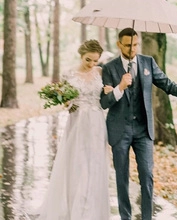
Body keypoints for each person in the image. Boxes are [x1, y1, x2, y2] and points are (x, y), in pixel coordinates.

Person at [100, 28, 177, 220]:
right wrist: (120, 87)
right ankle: (125, 217)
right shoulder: (109, 68)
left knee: (147, 175)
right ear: (119, 44)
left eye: (135, 44)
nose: (132, 49)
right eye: (128, 45)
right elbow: (104, 102)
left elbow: (168, 85)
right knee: (122, 178)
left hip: (144, 130)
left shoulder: (148, 63)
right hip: (120, 130)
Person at [37, 39, 113, 220]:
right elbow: (65, 101)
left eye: (95, 60)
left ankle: (92, 210)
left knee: (95, 163)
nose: (92, 64)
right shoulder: (68, 74)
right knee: (77, 163)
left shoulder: (101, 72)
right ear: (81, 55)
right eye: (88, 60)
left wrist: (108, 90)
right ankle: (76, 209)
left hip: (96, 121)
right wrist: (66, 101)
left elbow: (104, 96)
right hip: (77, 122)